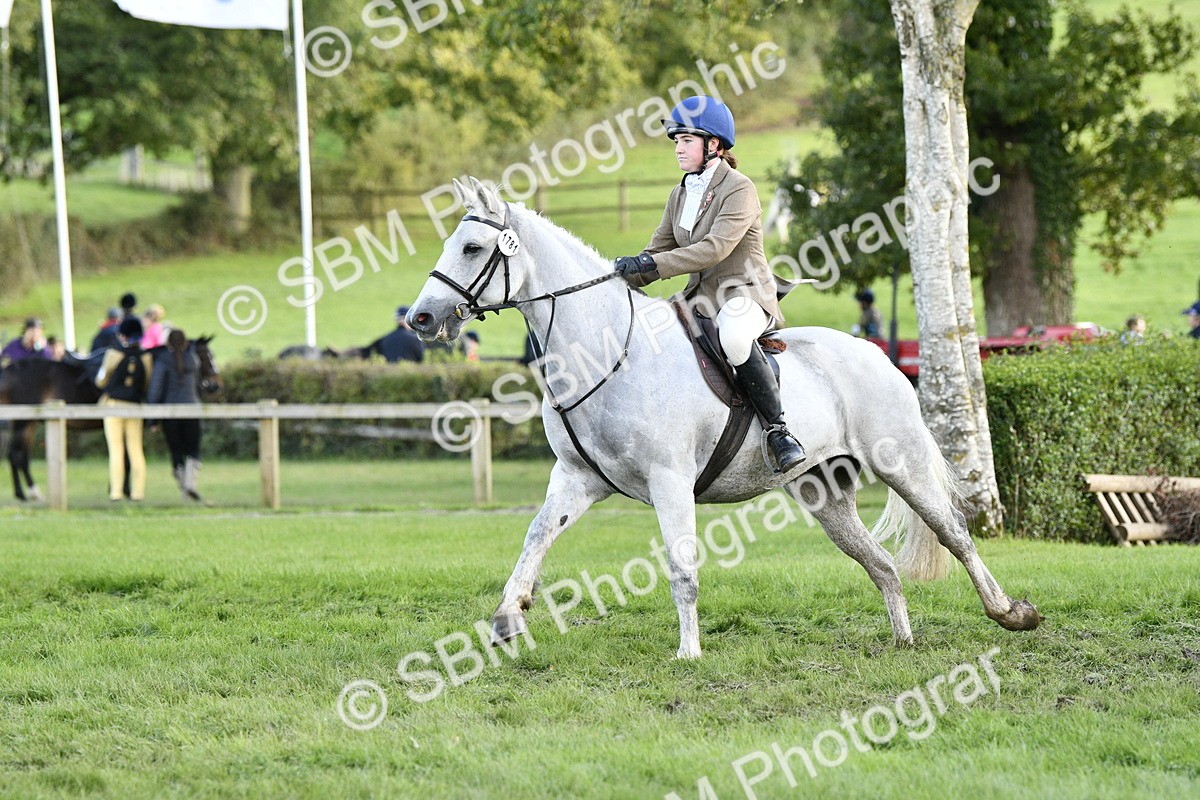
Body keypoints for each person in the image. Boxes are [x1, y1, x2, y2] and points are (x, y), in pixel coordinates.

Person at [612, 95, 805, 473]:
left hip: (744, 293)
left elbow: (712, 250)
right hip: (698, 300)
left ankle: (778, 431)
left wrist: (650, 263)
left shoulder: (739, 188)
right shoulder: (681, 193)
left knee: (733, 336)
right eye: (676, 141)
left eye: (687, 140)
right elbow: (658, 249)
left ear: (713, 145)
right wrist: (617, 275)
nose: (678, 149)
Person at [96, 318, 153, 502]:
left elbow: (101, 380)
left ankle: (116, 492)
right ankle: (138, 492)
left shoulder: (114, 354)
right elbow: (148, 382)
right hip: (135, 406)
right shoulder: (146, 356)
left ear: (122, 335)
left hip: (114, 405)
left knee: (116, 450)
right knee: (136, 450)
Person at [148, 328, 204, 502]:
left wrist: (152, 419)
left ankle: (184, 487)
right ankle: (190, 484)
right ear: (186, 342)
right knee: (192, 450)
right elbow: (199, 387)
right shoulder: (193, 360)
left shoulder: (162, 361)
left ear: (167, 343)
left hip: (170, 412)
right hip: (192, 410)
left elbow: (155, 390)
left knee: (176, 450)